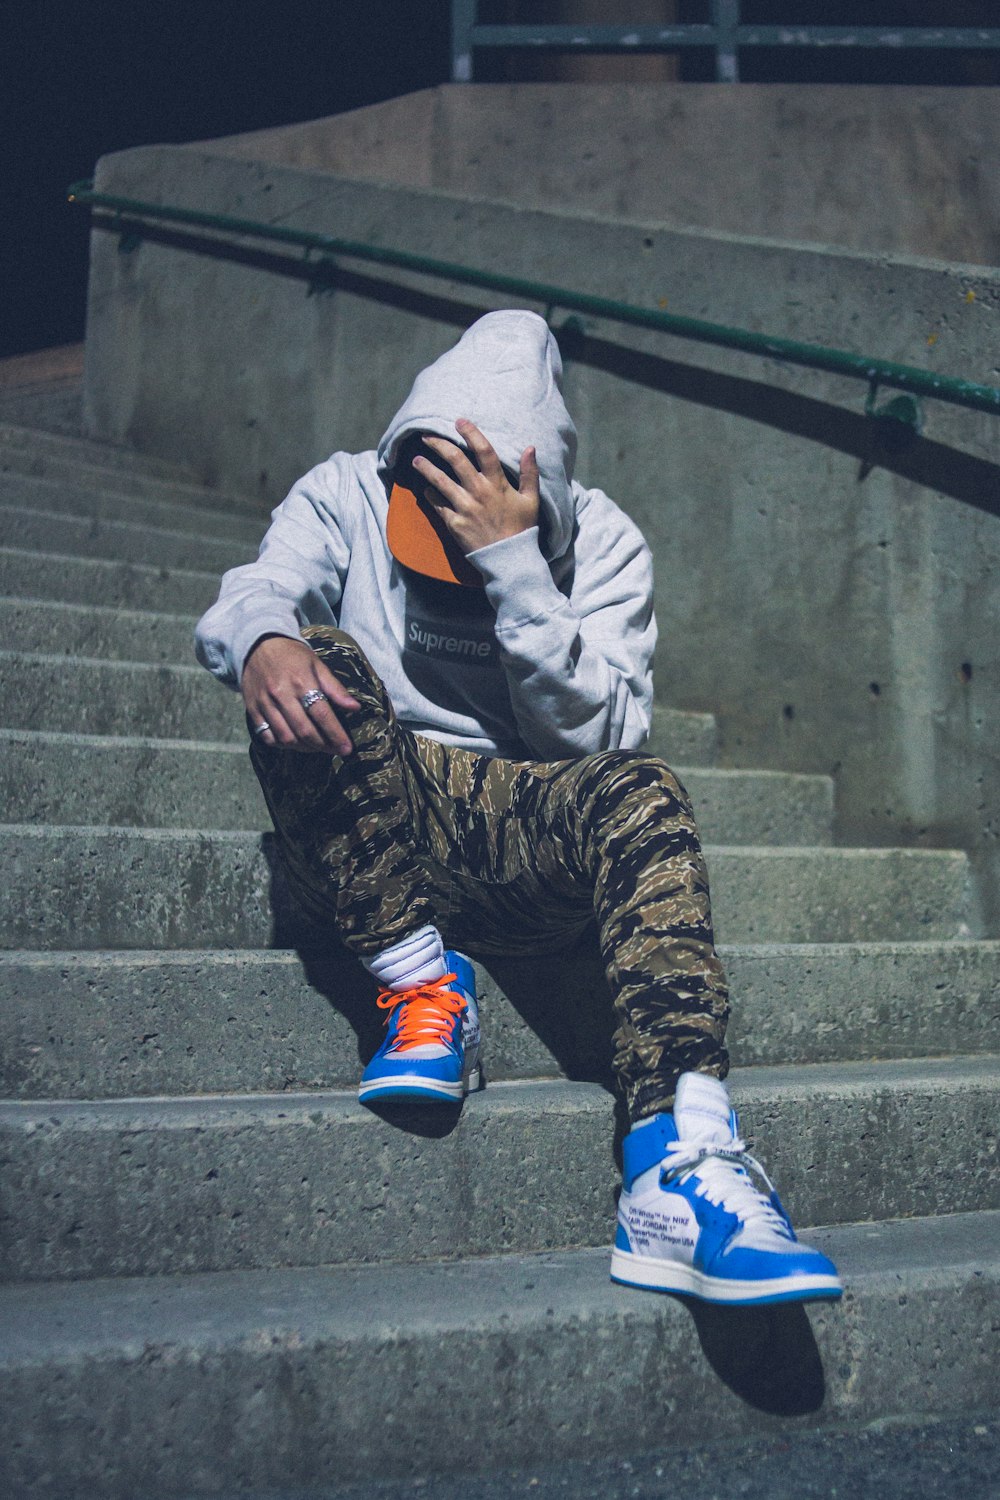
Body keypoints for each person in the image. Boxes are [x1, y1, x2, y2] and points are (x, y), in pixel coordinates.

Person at [195, 309, 841, 1307]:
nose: (438, 526)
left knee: (643, 785)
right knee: (312, 658)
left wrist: (512, 568)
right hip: (379, 828)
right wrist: (261, 637)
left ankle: (682, 1159)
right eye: (428, 487)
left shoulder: (606, 542)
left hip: (520, 833)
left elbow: (602, 743)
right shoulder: (348, 493)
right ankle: (418, 985)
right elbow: (260, 585)